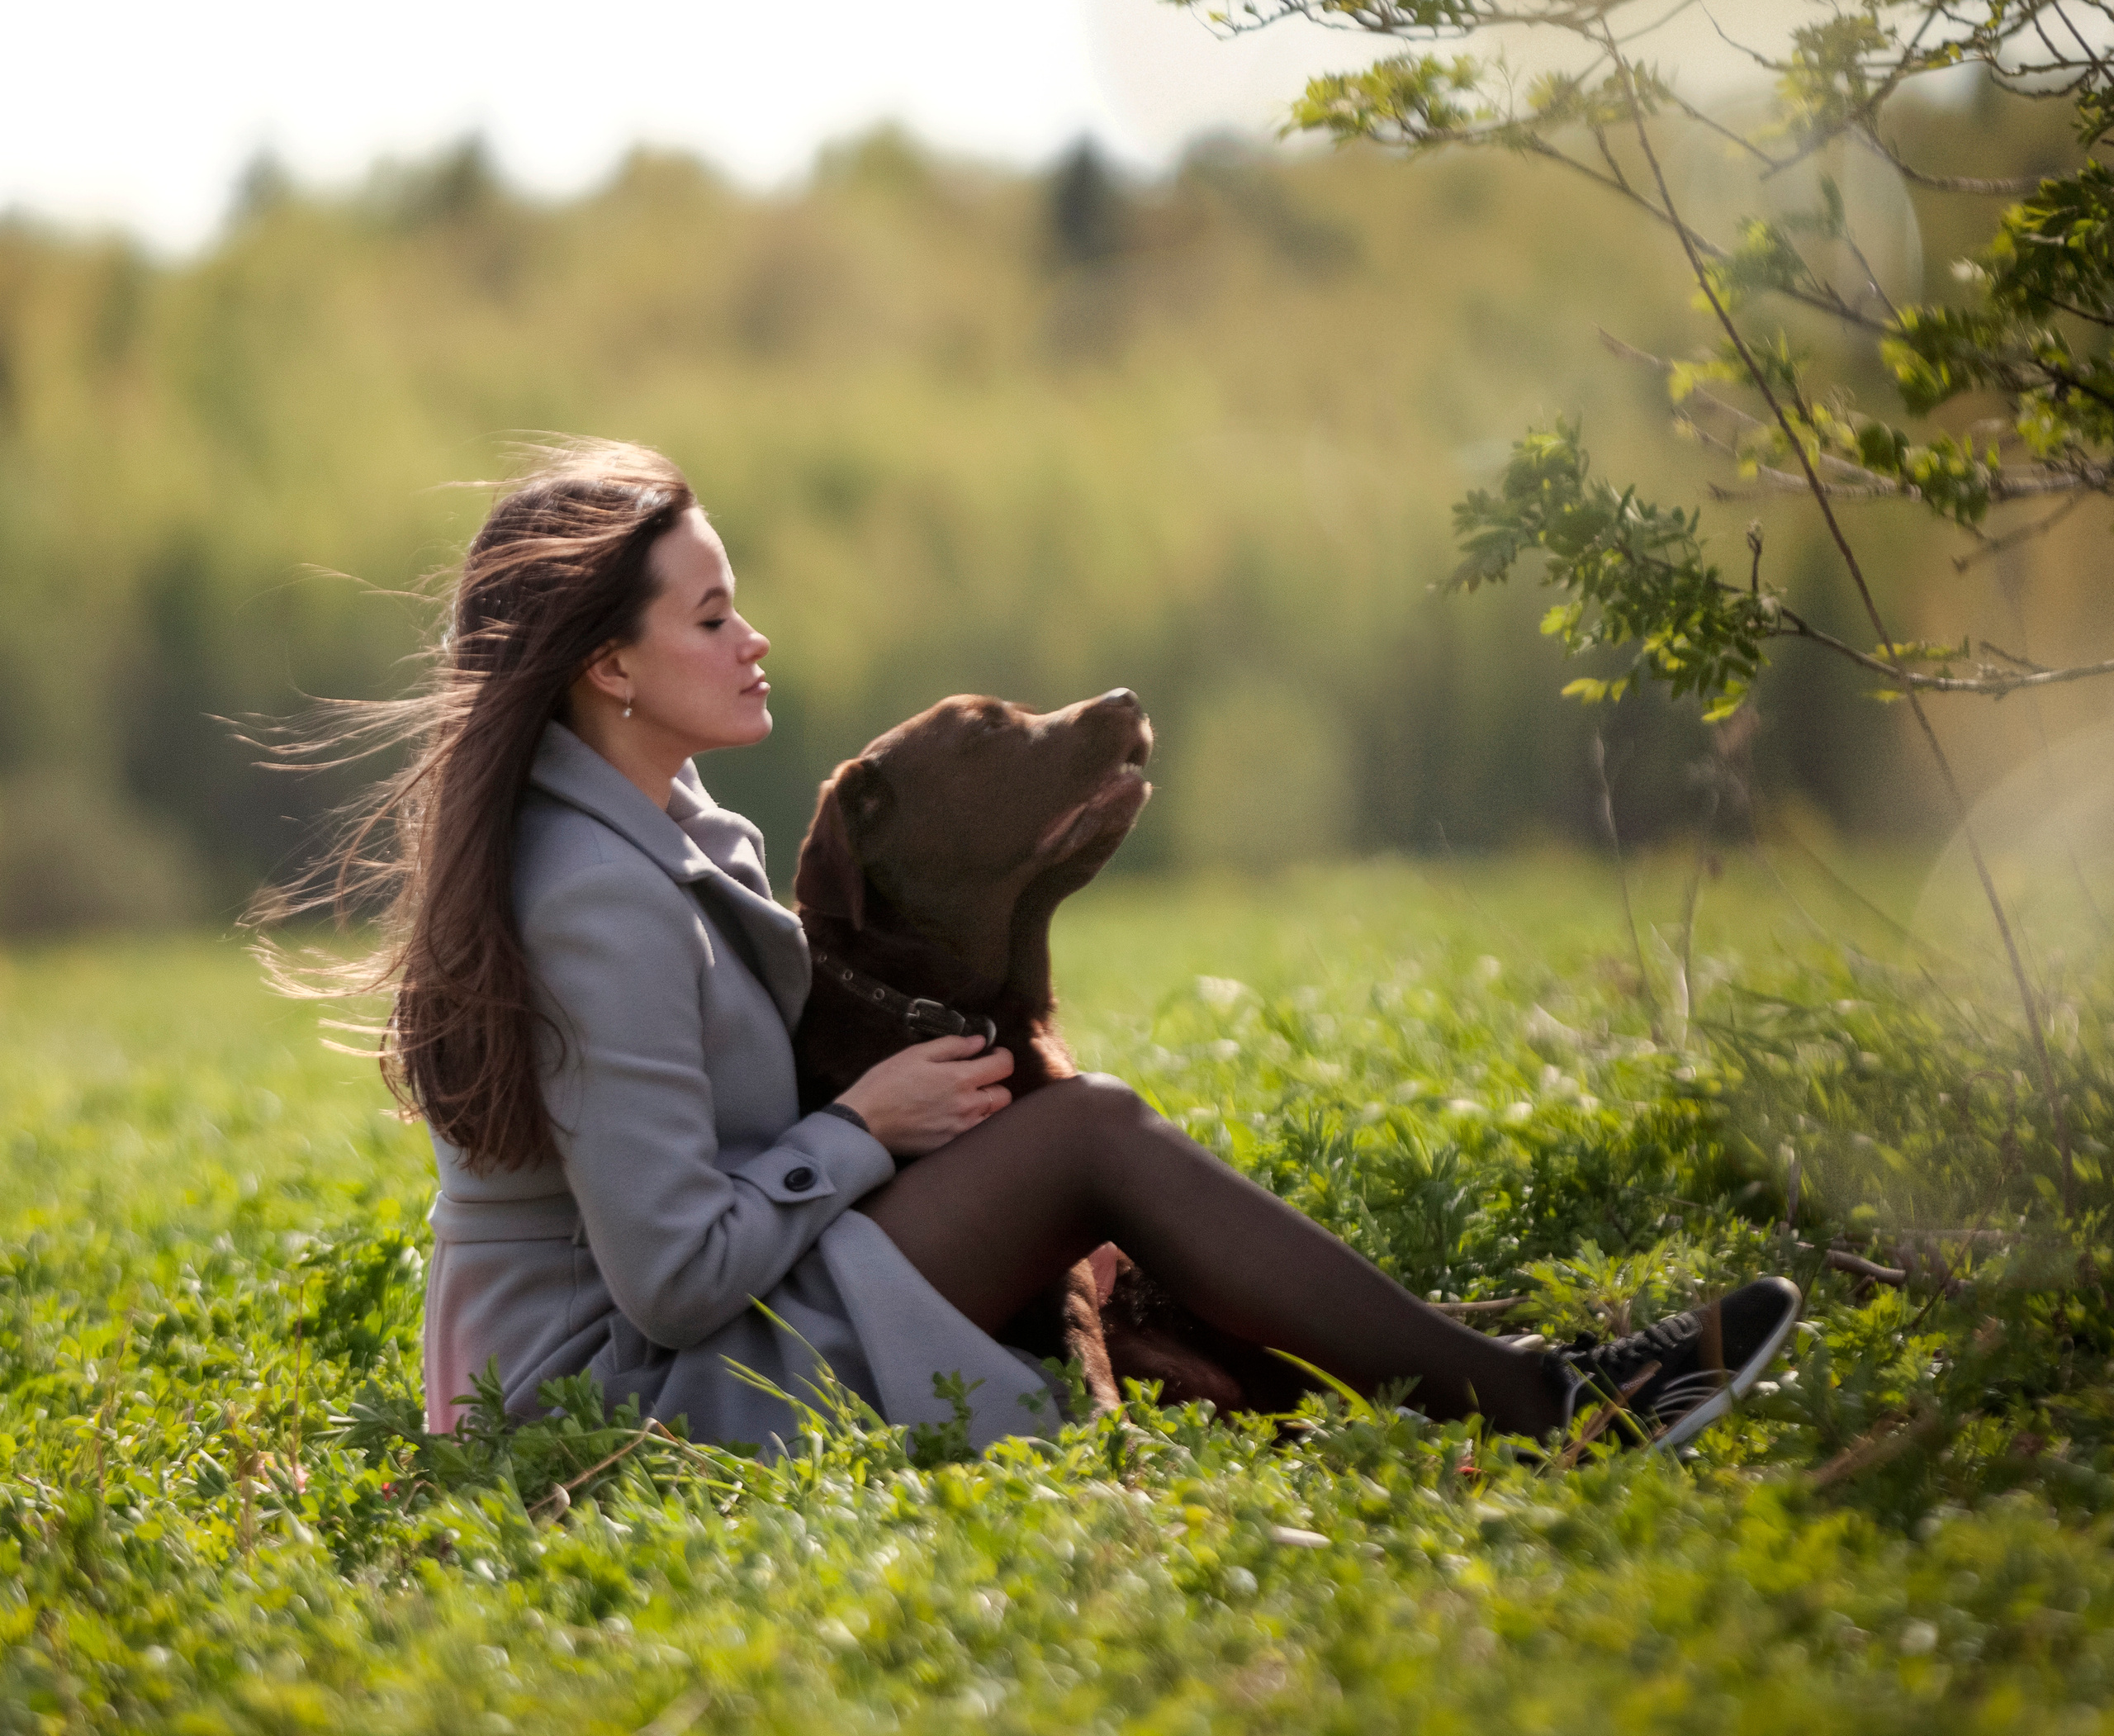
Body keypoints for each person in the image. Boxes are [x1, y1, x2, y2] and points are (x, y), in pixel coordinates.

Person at [268, 438, 1798, 1455]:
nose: (755, 640)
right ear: (607, 662)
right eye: (714, 616)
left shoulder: (641, 823)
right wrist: (862, 1129)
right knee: (1093, 1137)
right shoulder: (590, 888)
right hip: (632, 1405)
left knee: (1073, 1125)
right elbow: (671, 1282)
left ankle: (1469, 1370)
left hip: (679, 1352)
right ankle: (1550, 1402)